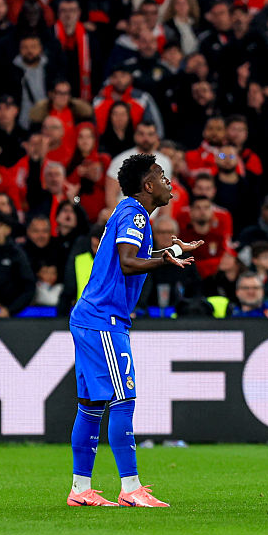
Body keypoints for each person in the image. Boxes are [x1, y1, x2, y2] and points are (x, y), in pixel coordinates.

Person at [66, 154, 202, 508]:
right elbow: (128, 263)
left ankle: (81, 489)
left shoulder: (127, 211)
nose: (168, 182)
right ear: (147, 186)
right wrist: (166, 260)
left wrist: (169, 250)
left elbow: (129, 256)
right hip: (104, 320)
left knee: (92, 406)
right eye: (161, 176)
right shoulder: (135, 215)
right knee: (123, 398)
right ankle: (130, 488)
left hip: (89, 316)